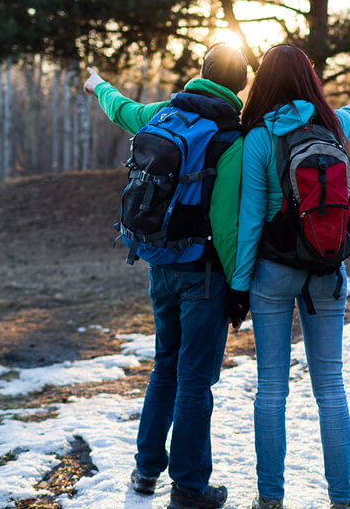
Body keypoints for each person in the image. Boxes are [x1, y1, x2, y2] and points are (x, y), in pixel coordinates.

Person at [225, 44, 350, 509]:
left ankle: (270, 499)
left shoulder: (259, 138)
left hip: (273, 272)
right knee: (330, 388)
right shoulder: (330, 123)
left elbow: (248, 223)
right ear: (309, 79)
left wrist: (239, 289)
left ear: (263, 81)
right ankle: (342, 499)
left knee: (271, 390)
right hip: (328, 270)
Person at [83, 44, 249, 509]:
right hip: (205, 274)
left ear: (202, 73)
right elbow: (226, 224)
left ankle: (144, 473)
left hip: (159, 265)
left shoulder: (163, 113)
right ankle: (190, 489)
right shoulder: (230, 137)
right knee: (196, 381)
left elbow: (121, 108)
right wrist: (239, 287)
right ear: (240, 85)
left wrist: (97, 85)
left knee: (165, 368)